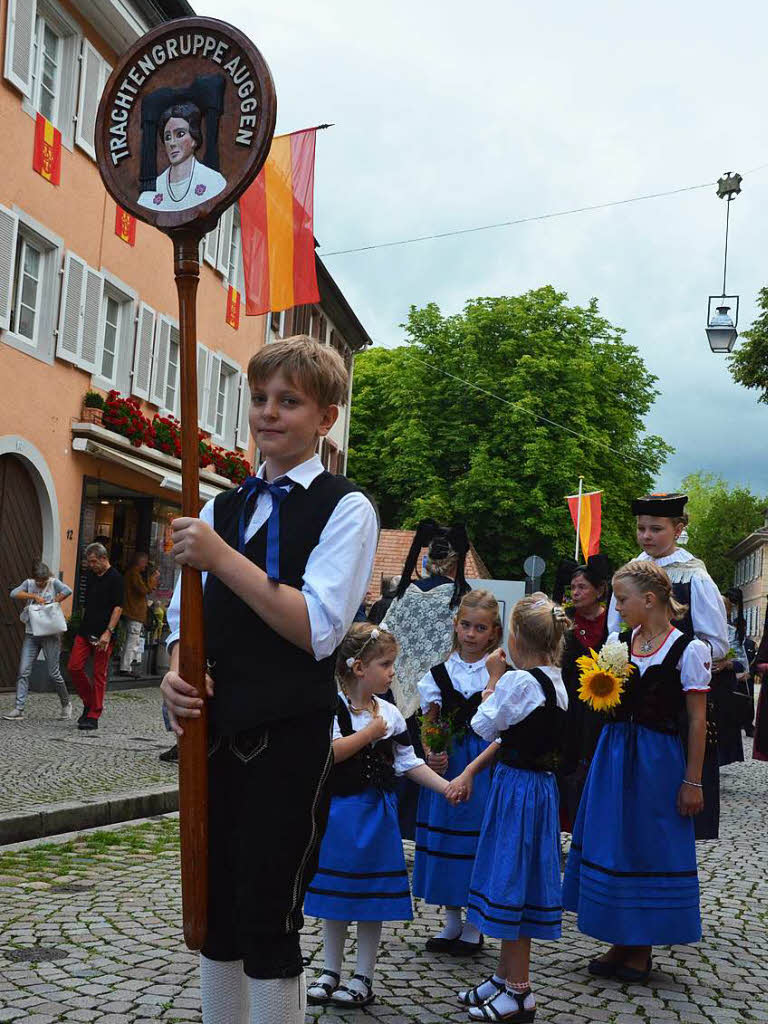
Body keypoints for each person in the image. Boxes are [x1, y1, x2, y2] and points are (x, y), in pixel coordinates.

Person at [160, 338, 378, 1024]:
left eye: (289, 401)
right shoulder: (225, 507)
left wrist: (221, 557)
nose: (268, 414)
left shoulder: (345, 507)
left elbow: (316, 627)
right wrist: (173, 677)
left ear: (325, 418)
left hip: (286, 739)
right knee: (213, 909)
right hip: (212, 740)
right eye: (259, 399)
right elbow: (181, 623)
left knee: (267, 913)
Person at [563, 560, 710, 983]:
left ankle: (640, 947)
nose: (617, 606)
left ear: (649, 599)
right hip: (613, 756)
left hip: (657, 761)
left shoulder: (688, 650)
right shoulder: (619, 644)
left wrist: (692, 780)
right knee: (615, 841)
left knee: (647, 843)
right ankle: (620, 938)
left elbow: (697, 722)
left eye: (623, 599)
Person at [304, 623, 452, 1008]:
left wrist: (444, 786)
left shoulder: (390, 713)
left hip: (377, 817)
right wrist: (369, 734)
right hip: (339, 815)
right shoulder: (333, 708)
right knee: (336, 897)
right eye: (385, 664)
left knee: (371, 899)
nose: (392, 672)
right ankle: (330, 970)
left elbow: (408, 762)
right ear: (358, 668)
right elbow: (330, 753)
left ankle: (363, 975)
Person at [446, 593, 570, 1022]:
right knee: (517, 875)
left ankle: (519, 992)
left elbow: (484, 725)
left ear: (514, 638)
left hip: (517, 789)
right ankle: (502, 979)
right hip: (539, 790)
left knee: (511, 880)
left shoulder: (520, 682)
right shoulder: (556, 680)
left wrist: (494, 678)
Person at [607, 492, 728, 839]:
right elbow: (614, 634)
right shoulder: (631, 571)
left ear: (678, 529)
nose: (646, 536)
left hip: (675, 697)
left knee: (667, 808)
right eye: (642, 528)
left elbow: (717, 643)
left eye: (656, 529)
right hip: (633, 698)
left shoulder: (694, 577)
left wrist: (673, 653)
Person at [412, 588, 501, 956]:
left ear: (493, 632)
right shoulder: (439, 672)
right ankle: (451, 920)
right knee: (446, 838)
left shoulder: (498, 672)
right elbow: (428, 720)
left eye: (480, 628)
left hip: (482, 764)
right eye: (465, 625)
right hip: (449, 761)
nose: (471, 634)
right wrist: (431, 751)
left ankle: (475, 925)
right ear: (456, 625)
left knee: (477, 839)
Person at [557, 555, 611, 830]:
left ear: (599, 590)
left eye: (582, 587)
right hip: (568, 705)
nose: (575, 593)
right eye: (573, 588)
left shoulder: (613, 623)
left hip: (602, 706)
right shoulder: (564, 621)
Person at [4, 563, 72, 721]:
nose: (40, 583)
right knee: (23, 671)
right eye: (38, 581)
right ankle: (19, 708)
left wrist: (54, 601)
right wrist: (33, 596)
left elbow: (67, 590)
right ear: (34, 578)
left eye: (43, 580)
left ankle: (66, 703)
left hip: (50, 635)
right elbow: (14, 593)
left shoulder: (53, 582)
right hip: (31, 634)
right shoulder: (29, 583)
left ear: (47, 576)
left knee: (54, 673)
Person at [68, 543, 123, 731]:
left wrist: (109, 632)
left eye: (93, 561)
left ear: (103, 558)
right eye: (88, 562)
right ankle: (89, 701)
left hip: (103, 634)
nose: (90, 565)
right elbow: (86, 603)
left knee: (99, 674)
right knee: (74, 667)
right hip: (85, 631)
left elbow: (118, 607)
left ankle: (93, 714)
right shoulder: (90, 576)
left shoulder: (116, 578)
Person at [138, 101, 226, 213]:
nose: (172, 143)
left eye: (180, 134)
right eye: (168, 137)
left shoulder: (214, 182)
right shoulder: (150, 192)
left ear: (194, 139)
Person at [120, 553, 159, 678]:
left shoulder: (132, 574)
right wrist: (153, 579)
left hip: (132, 611)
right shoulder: (133, 574)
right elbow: (144, 590)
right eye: (145, 563)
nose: (146, 565)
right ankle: (126, 667)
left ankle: (126, 665)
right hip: (134, 612)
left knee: (131, 639)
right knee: (132, 639)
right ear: (140, 562)